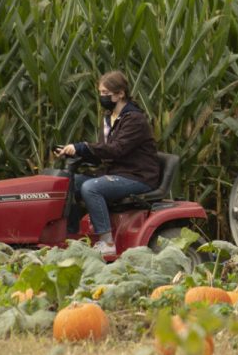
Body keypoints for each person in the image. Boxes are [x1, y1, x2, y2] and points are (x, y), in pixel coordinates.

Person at [54, 71, 162, 250]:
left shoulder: (134, 119)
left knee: (91, 188)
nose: (102, 97)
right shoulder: (109, 118)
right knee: (68, 183)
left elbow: (116, 150)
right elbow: (102, 152)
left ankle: (107, 242)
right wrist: (73, 152)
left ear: (120, 94)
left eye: (106, 93)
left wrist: (82, 147)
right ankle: (70, 234)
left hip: (137, 176)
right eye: (100, 93)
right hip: (116, 172)